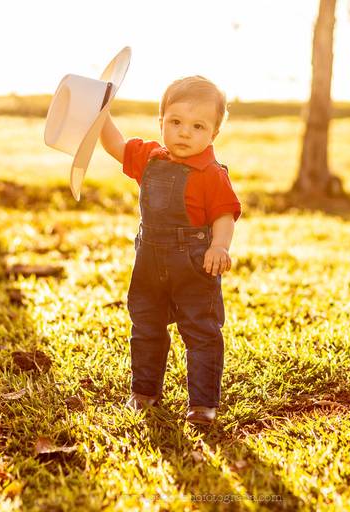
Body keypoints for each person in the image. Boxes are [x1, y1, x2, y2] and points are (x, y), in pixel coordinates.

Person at [99, 76, 241, 425]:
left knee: (201, 331)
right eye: (175, 122)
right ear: (160, 122)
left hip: (194, 264)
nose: (184, 133)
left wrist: (219, 246)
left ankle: (202, 405)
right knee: (146, 325)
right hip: (149, 261)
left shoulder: (211, 173)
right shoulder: (148, 157)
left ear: (213, 135)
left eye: (197, 126)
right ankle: (144, 393)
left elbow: (224, 214)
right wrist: (99, 113)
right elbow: (114, 144)